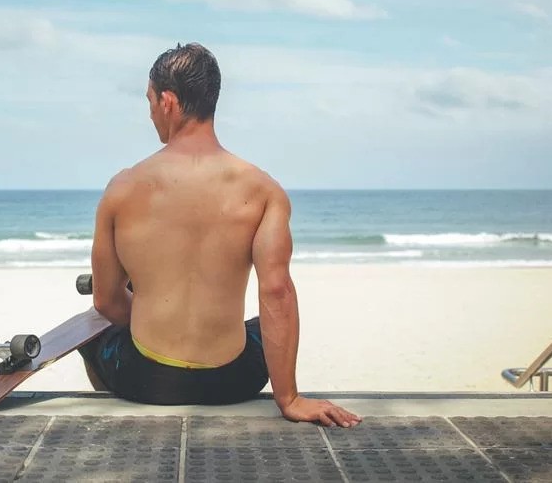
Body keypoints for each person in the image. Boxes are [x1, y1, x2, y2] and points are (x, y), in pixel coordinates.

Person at [78, 43, 361, 427]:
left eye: (149, 101)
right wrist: (290, 399)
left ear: (168, 102)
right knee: (261, 325)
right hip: (233, 380)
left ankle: (122, 417)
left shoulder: (122, 189)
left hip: (144, 380)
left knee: (93, 334)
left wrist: (150, 316)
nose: (149, 114)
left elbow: (107, 301)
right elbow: (277, 292)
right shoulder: (263, 190)